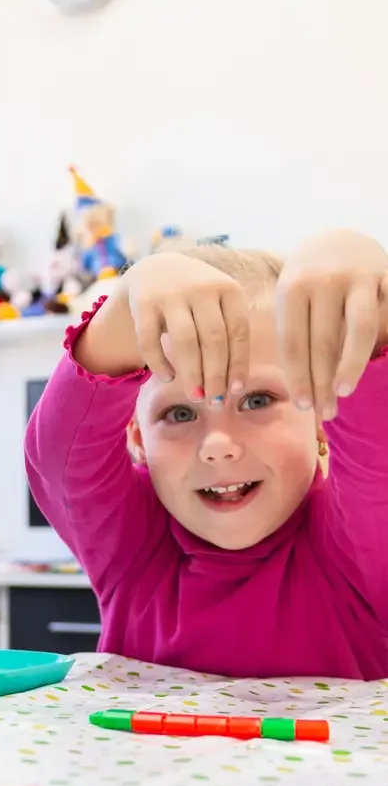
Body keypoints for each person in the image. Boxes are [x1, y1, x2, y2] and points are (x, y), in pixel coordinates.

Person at [25, 232, 388, 679]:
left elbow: (379, 452)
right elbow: (60, 458)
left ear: (319, 417)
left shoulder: (356, 549)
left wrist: (373, 313)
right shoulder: (133, 546)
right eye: (179, 413)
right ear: (137, 437)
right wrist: (123, 310)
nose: (218, 446)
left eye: (256, 401)